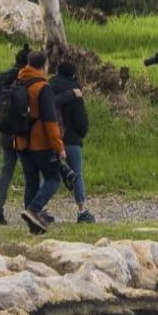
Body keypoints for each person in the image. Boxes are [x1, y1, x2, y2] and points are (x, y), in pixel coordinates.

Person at [11, 51, 65, 235]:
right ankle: (34, 210)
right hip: (40, 143)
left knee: (31, 182)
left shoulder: (18, 82)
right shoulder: (42, 86)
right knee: (53, 178)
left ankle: (33, 225)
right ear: (44, 65)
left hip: (20, 141)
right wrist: (59, 146)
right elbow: (50, 121)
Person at [50, 61, 94, 223]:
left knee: (47, 174)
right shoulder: (75, 90)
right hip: (71, 139)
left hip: (50, 137)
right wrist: (81, 133)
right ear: (73, 74)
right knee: (76, 174)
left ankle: (39, 209)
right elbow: (81, 119)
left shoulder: (49, 85)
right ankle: (81, 211)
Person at [0, 46, 29, 225]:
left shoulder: (3, 79)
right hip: (22, 132)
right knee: (31, 171)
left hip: (5, 129)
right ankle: (33, 209)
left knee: (6, 169)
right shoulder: (23, 79)